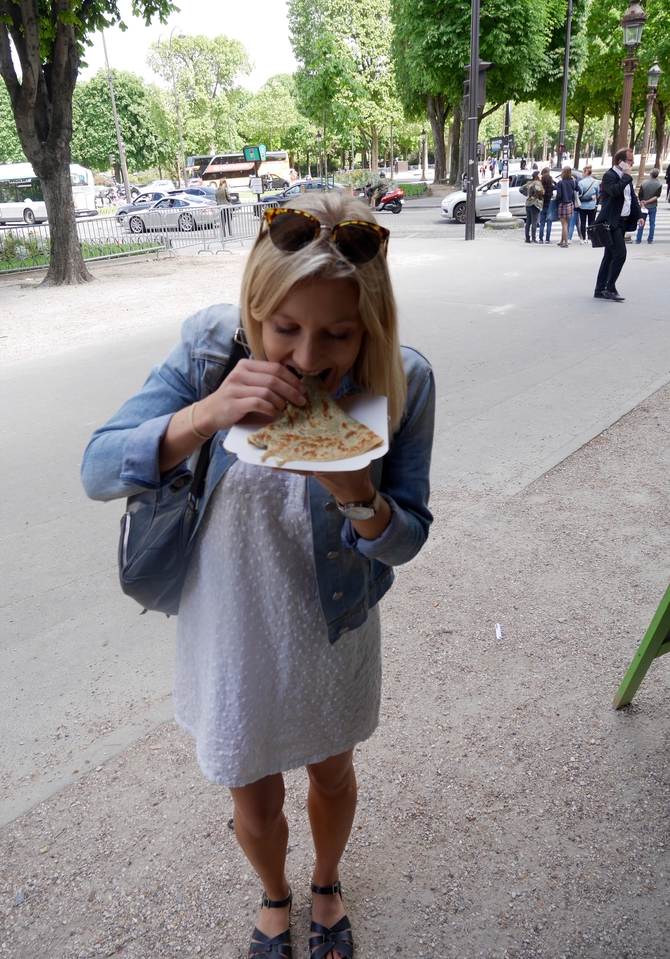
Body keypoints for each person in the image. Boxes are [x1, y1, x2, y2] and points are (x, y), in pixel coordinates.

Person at [81, 191, 435, 959]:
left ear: (368, 324)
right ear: (253, 307)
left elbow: (407, 540)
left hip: (332, 619)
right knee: (253, 785)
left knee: (332, 772)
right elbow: (98, 468)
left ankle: (327, 885)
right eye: (284, 330)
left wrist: (362, 498)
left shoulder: (400, 380)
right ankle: (275, 895)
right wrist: (202, 414)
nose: (308, 359)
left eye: (337, 334)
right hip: (231, 618)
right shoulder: (210, 348)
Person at [594, 147, 644, 302]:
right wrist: (626, 177)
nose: (632, 163)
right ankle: (610, 288)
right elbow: (615, 191)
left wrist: (639, 215)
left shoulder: (625, 178)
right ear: (620, 161)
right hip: (611, 223)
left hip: (622, 222)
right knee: (620, 254)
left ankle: (600, 289)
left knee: (609, 255)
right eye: (630, 160)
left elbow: (631, 199)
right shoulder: (610, 176)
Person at [554, 167, 579, 247]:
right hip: (570, 204)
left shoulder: (560, 183)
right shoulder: (573, 182)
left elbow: (559, 195)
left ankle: (566, 242)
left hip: (562, 204)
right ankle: (562, 240)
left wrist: (555, 197)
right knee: (566, 223)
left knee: (564, 224)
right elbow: (579, 190)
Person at [575, 165, 600, 244]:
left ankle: (583, 238)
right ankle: (590, 238)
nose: (582, 174)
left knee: (582, 222)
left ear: (586, 172)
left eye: (582, 172)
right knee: (591, 222)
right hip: (592, 205)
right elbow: (597, 193)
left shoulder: (581, 183)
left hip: (583, 205)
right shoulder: (595, 182)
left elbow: (580, 194)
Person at [636, 168, 662, 244]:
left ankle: (638, 239)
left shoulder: (644, 183)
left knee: (641, 223)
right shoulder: (659, 185)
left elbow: (640, 195)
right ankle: (650, 239)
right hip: (653, 206)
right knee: (652, 224)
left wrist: (643, 202)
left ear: (650, 174)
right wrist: (648, 201)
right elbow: (657, 196)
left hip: (644, 207)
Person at [521, 170, 544, 242]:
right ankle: (533, 238)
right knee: (534, 222)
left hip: (528, 203)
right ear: (537, 176)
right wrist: (535, 196)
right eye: (540, 175)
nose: (541, 176)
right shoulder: (537, 183)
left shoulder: (529, 183)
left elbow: (521, 189)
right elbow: (538, 190)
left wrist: (528, 195)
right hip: (535, 204)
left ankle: (527, 238)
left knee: (528, 222)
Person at [538, 167, 555, 244]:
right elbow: (558, 185)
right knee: (549, 223)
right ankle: (547, 239)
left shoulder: (541, 187)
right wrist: (553, 181)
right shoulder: (551, 187)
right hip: (549, 206)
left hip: (542, 206)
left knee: (542, 223)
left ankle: (540, 239)